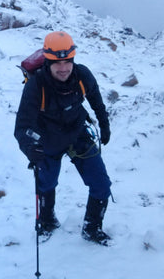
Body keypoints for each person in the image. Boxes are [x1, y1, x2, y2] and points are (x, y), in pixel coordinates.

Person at [14, 31, 112, 245]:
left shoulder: (82, 76)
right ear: (48, 61)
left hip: (77, 133)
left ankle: (92, 227)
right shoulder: (36, 86)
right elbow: (22, 126)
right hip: (47, 139)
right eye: (57, 62)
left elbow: (96, 100)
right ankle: (47, 220)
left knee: (102, 183)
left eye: (68, 61)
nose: (63, 67)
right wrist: (30, 147)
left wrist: (104, 124)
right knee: (46, 184)